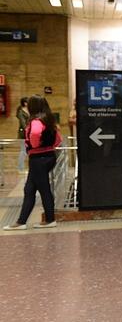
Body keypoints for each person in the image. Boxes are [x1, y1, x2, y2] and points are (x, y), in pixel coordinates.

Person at [4, 96, 62, 230]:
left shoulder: (36, 121)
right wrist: (48, 146)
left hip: (38, 159)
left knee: (44, 189)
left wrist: (35, 145)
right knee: (29, 189)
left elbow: (35, 134)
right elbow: (58, 139)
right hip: (48, 156)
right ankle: (21, 221)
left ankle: (49, 219)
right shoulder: (49, 119)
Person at [15, 97, 29, 173]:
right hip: (23, 134)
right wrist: (28, 130)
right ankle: (20, 168)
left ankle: (27, 167)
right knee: (23, 150)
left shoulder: (29, 111)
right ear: (25, 103)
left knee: (28, 151)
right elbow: (23, 124)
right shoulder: (21, 112)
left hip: (29, 133)